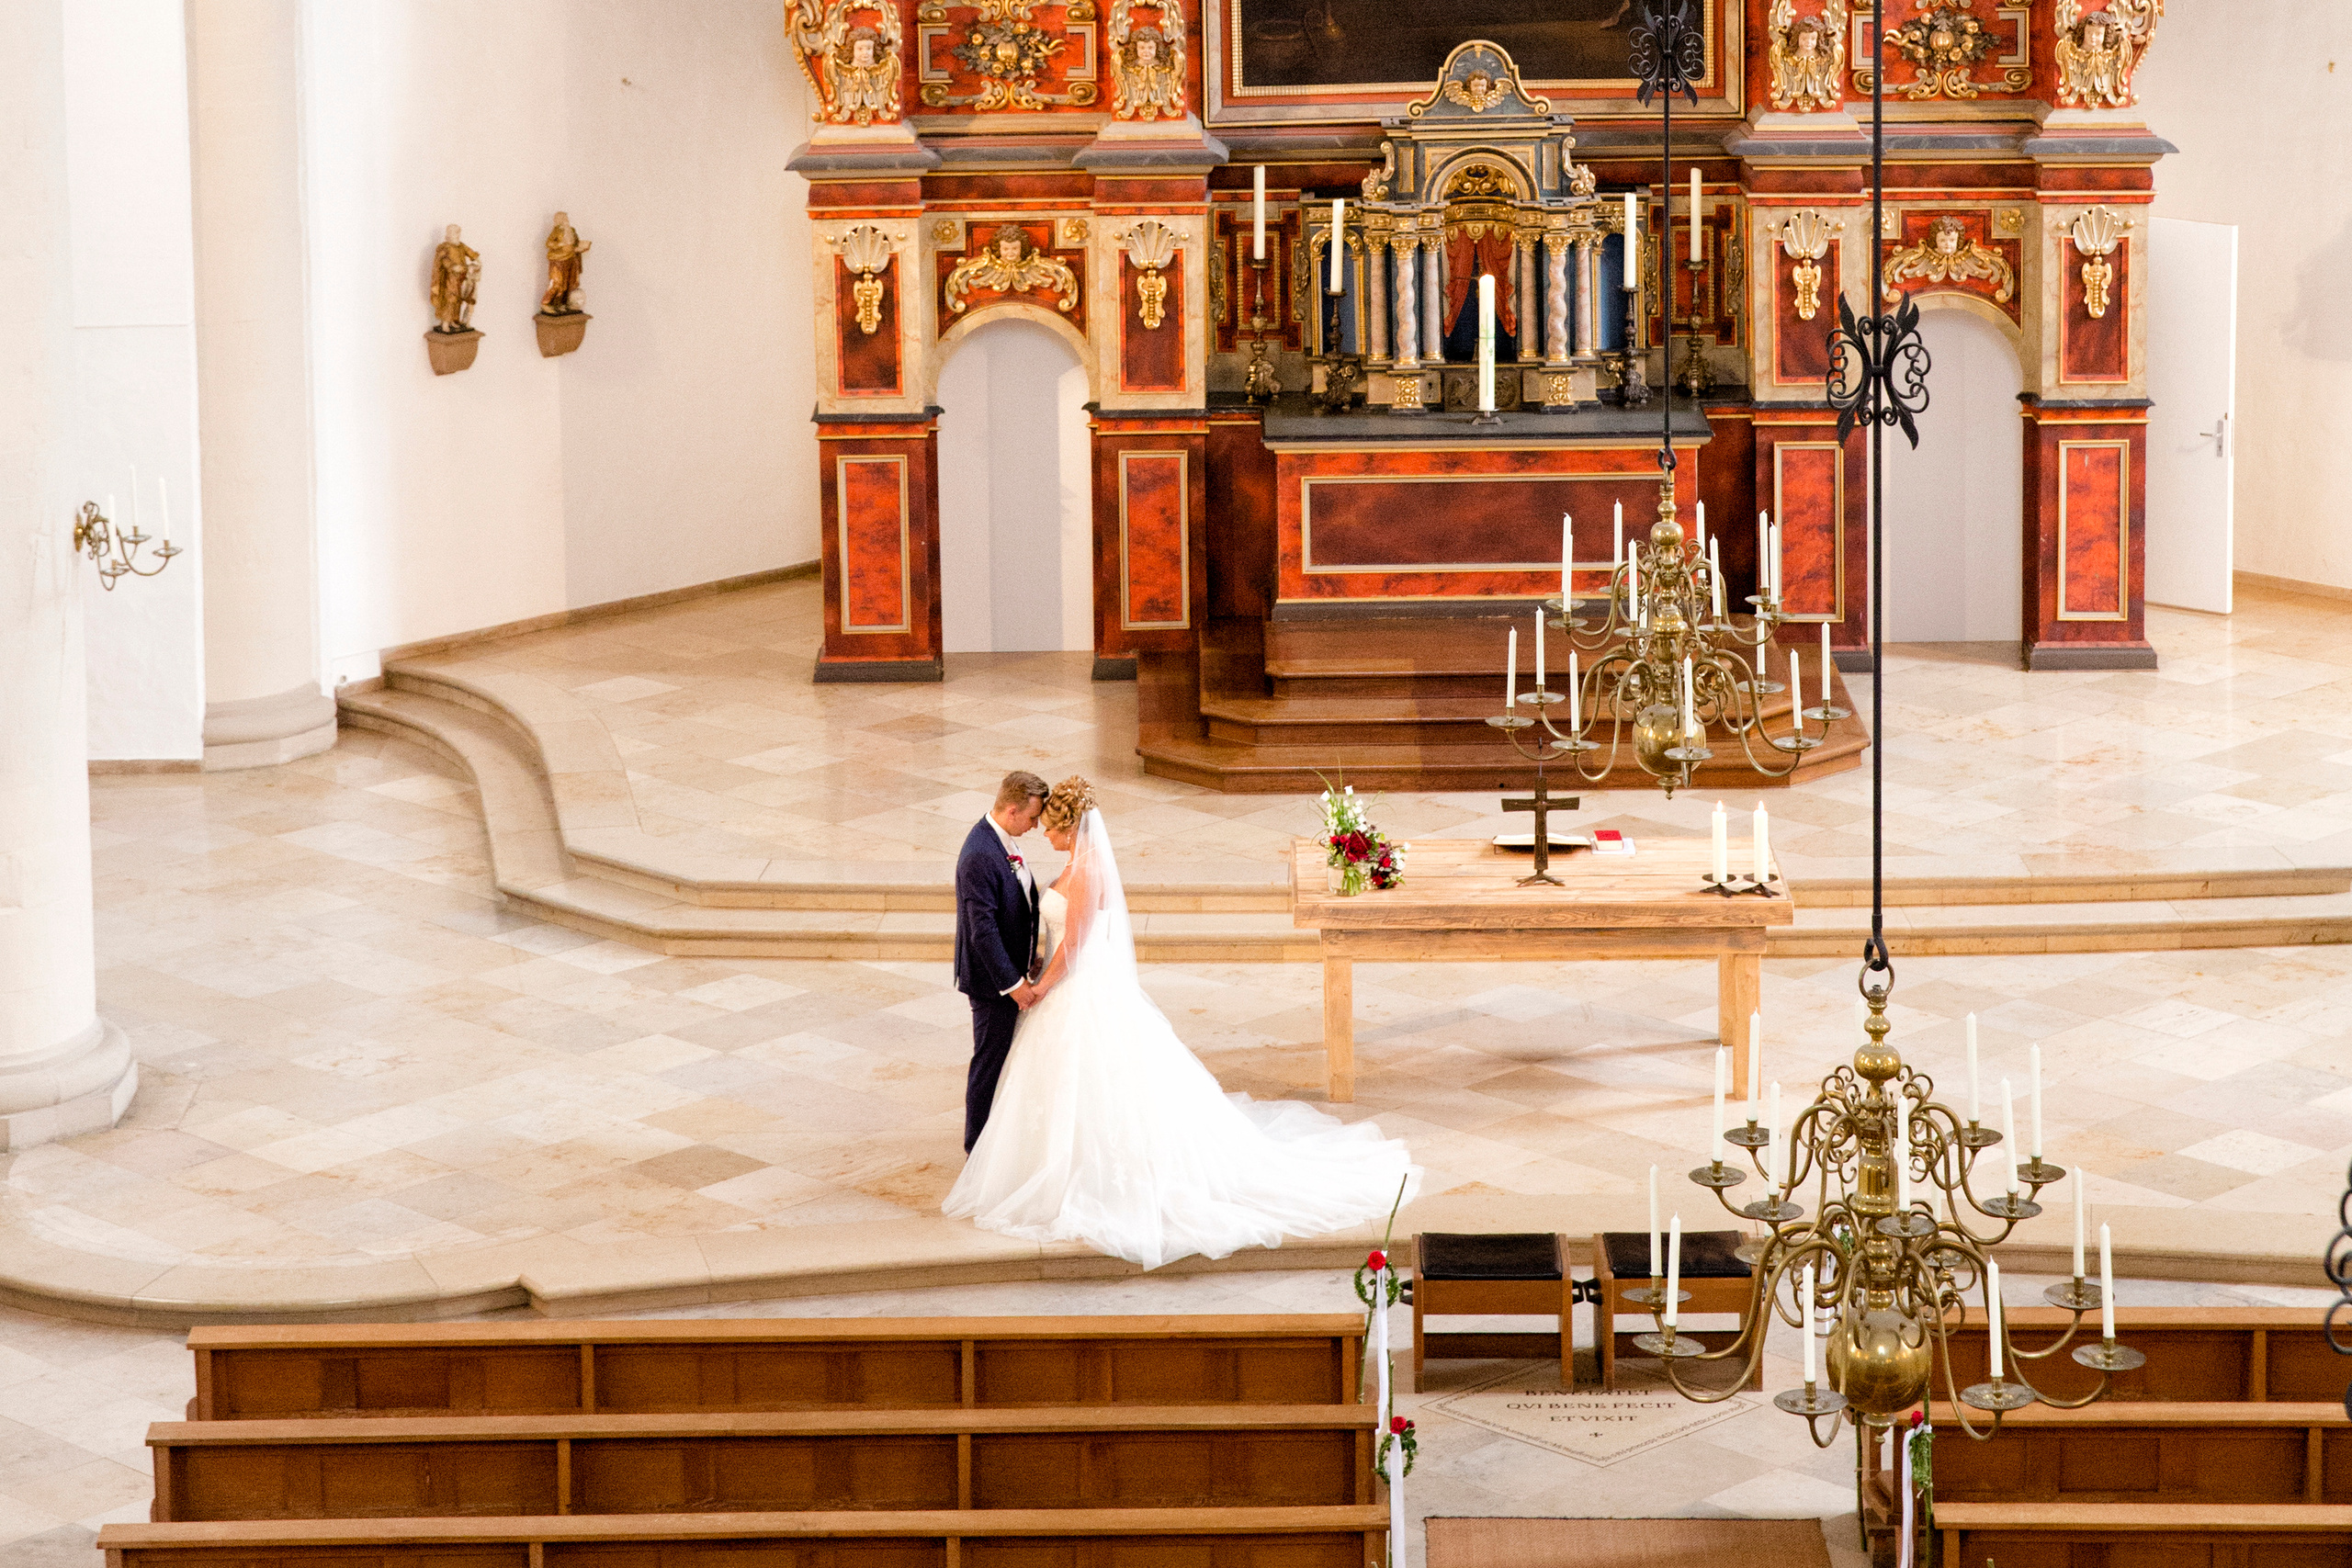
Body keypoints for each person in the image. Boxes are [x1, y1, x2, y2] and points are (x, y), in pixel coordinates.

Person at [944, 775, 1419, 1269]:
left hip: (1076, 990)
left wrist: (1040, 986)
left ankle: (1085, 1171)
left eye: (1049, 826)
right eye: (1038, 822)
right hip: (1051, 986)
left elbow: (1078, 942)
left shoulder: (1086, 873)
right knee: (1042, 1077)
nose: (1043, 832)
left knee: (1092, 1082)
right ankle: (1023, 1160)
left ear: (1069, 827)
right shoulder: (1044, 861)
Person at [954, 771, 1048, 1153]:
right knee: (989, 1063)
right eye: (1032, 817)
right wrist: (1015, 986)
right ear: (1012, 810)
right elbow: (983, 931)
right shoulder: (980, 854)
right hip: (993, 983)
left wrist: (1030, 955)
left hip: (1009, 969)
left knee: (1002, 1060)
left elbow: (1016, 907)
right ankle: (976, 1151)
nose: (1036, 825)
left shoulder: (1001, 839)